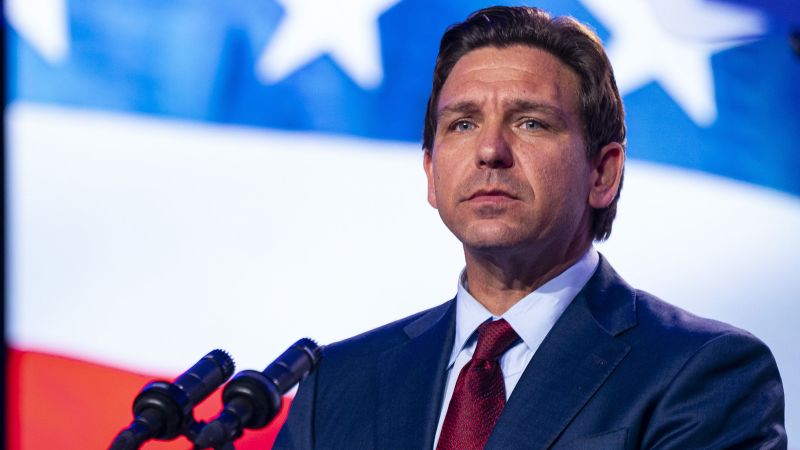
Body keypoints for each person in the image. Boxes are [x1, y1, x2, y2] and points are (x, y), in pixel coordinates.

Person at [273, 6, 786, 449]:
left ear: (603, 173)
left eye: (531, 122)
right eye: (463, 124)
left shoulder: (701, 372)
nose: (489, 150)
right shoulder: (337, 383)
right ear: (431, 173)